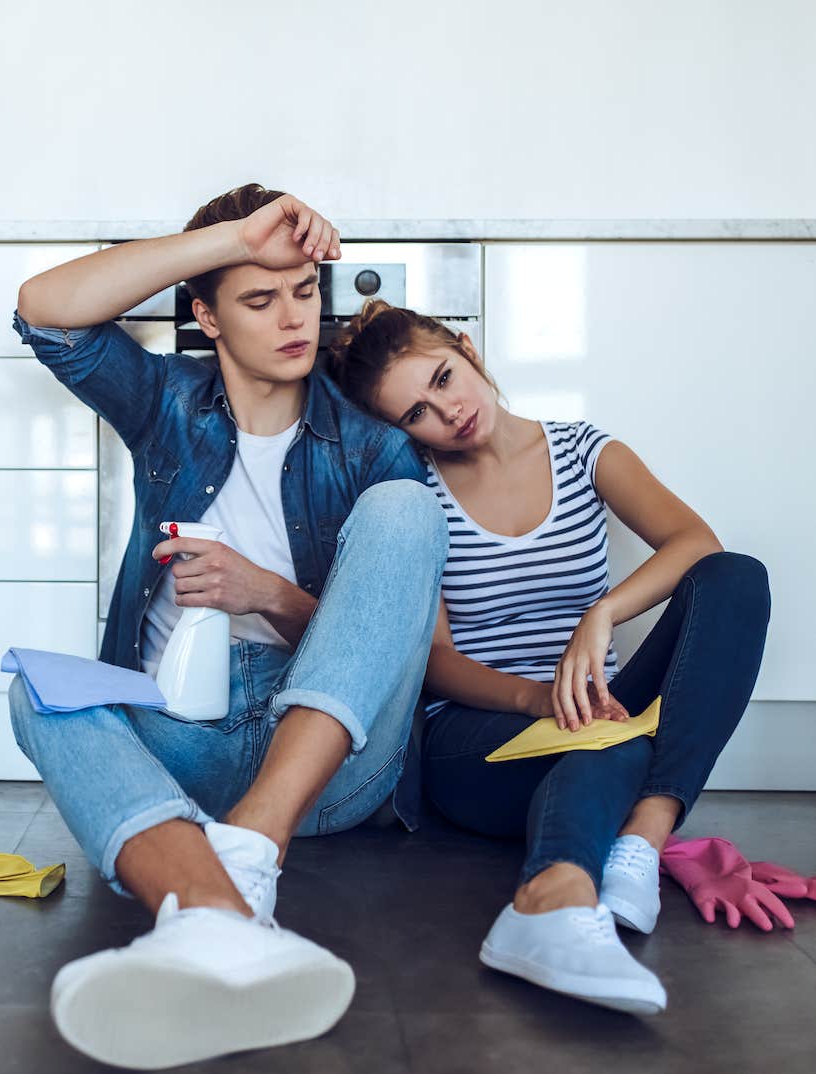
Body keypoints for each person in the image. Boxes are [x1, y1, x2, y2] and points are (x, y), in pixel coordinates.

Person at [8, 187, 448, 1069]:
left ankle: (242, 853)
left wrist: (268, 593)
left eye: (304, 292)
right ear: (205, 316)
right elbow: (44, 311)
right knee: (37, 690)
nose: (293, 319)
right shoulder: (165, 402)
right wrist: (228, 238)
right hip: (186, 745)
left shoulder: (371, 446)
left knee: (406, 511)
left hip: (327, 760)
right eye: (258, 297)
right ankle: (218, 910)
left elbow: (415, 653)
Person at [329, 300, 771, 1015]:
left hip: (599, 708)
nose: (447, 412)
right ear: (398, 430)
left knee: (735, 578)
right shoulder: (417, 497)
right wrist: (536, 698)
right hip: (473, 739)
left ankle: (639, 843)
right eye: (416, 413)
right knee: (608, 737)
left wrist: (601, 615)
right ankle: (549, 900)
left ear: (468, 349)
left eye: (444, 378)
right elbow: (434, 660)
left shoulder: (581, 451)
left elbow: (695, 541)